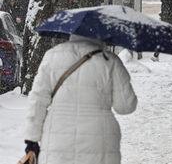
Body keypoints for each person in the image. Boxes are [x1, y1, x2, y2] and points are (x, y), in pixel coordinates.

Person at [24, 35, 138, 164]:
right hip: (100, 141)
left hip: (58, 138)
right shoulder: (110, 61)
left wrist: (31, 140)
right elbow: (125, 106)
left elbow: (37, 100)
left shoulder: (52, 56)